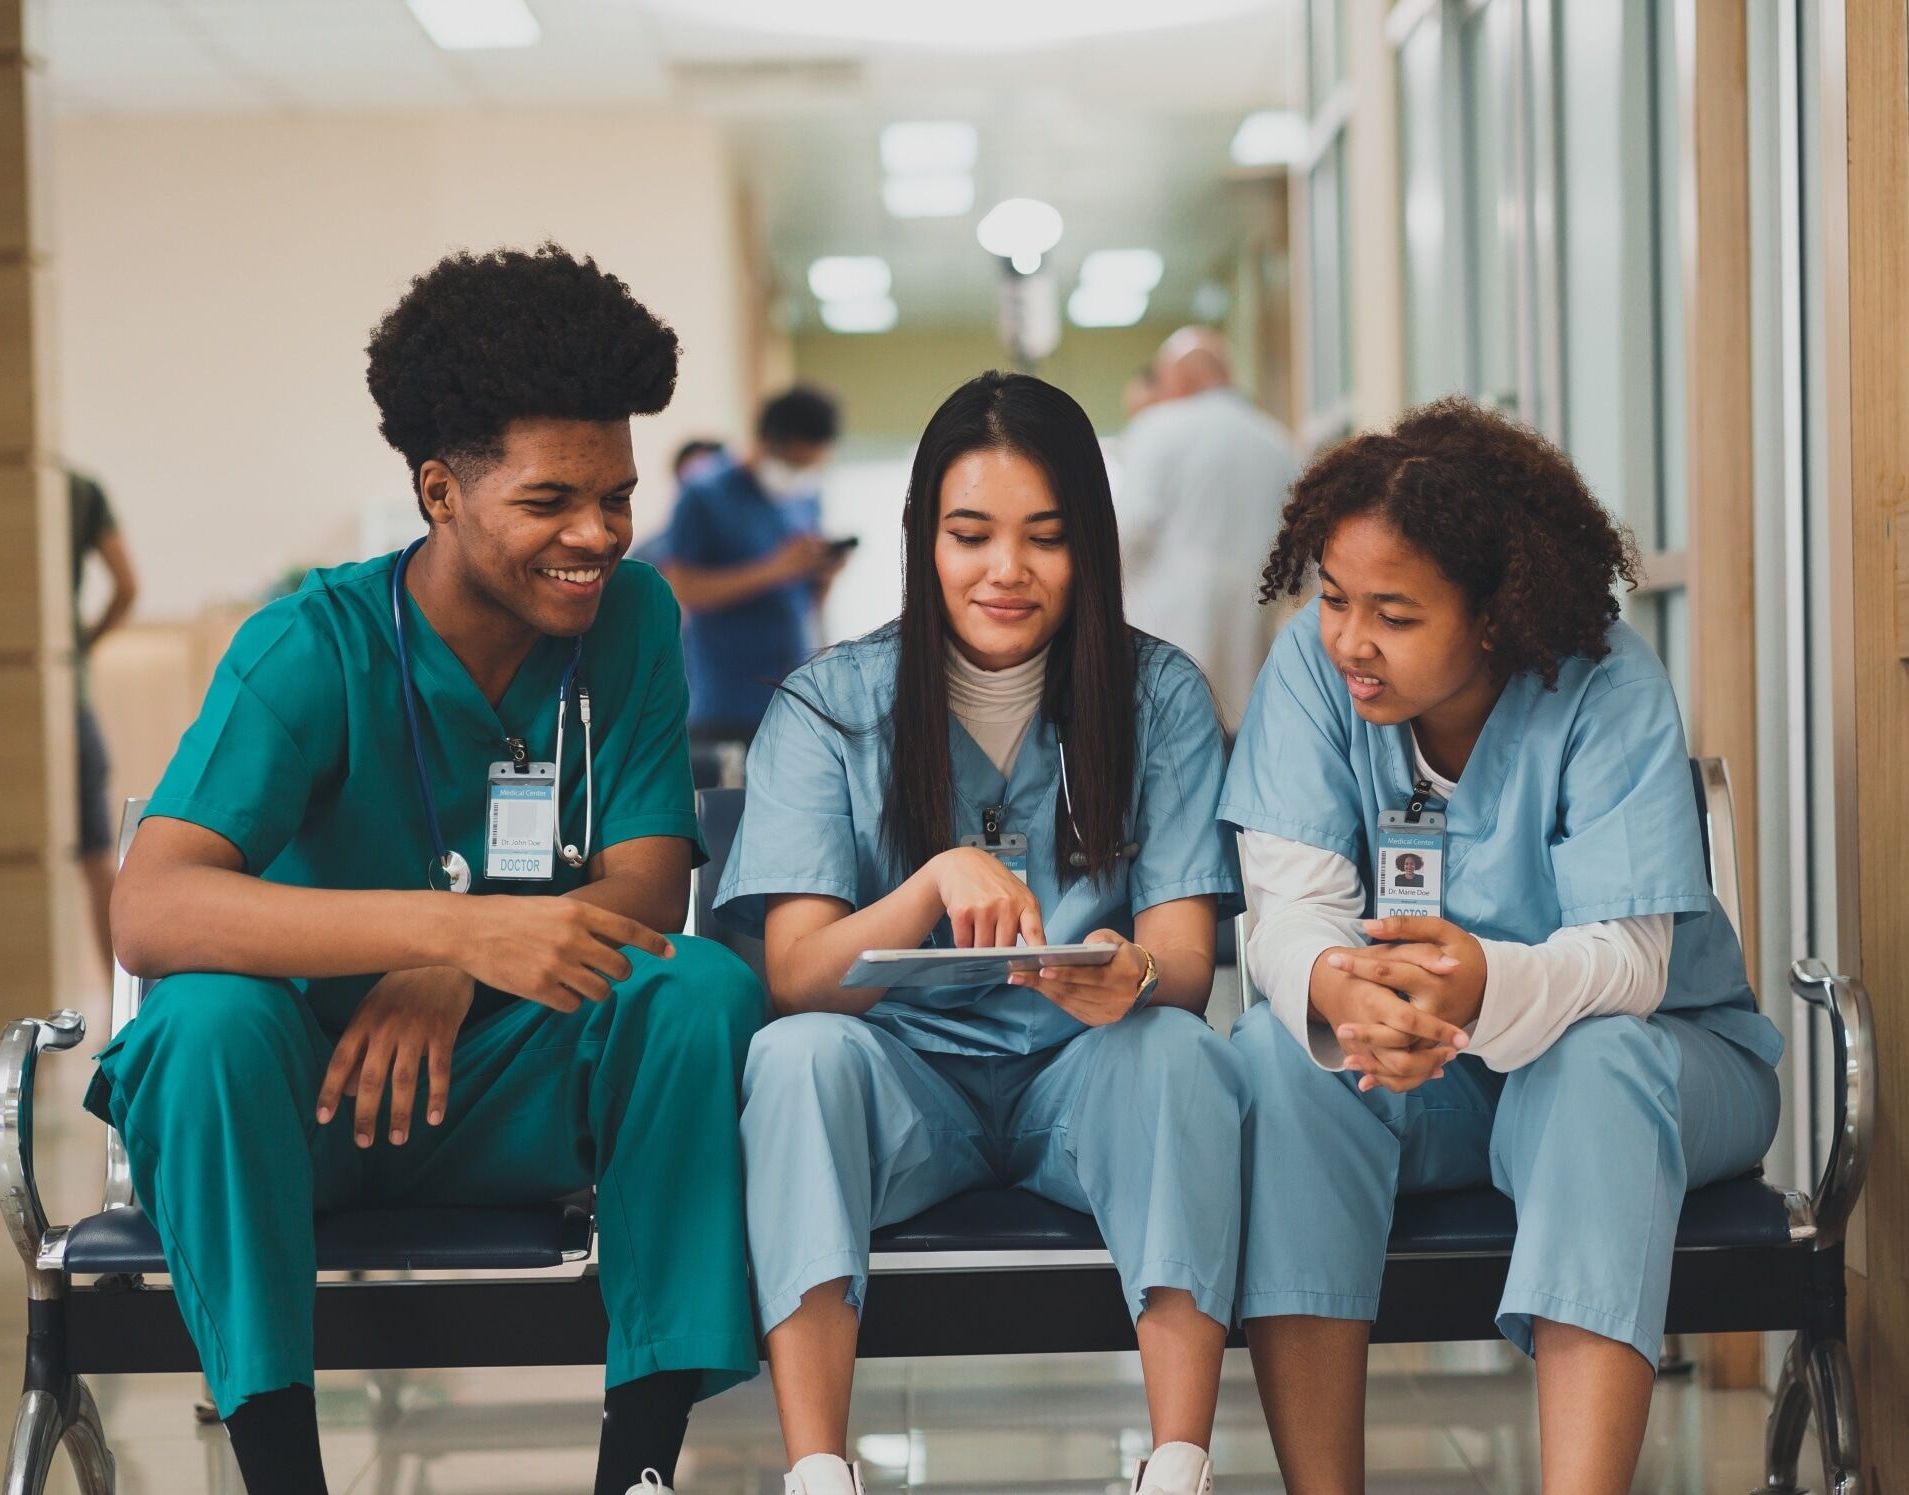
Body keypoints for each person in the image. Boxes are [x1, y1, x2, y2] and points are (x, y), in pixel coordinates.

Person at [88, 245, 763, 1495]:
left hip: (513, 1085)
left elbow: (649, 882)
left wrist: (466, 975)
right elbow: (151, 904)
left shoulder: (632, 622)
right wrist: (445, 937)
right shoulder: (311, 643)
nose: (596, 535)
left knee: (696, 988)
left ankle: (642, 1470)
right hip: (311, 1101)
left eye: (616, 496)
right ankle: (284, 1475)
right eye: (552, 499)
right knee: (202, 1024)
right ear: (441, 489)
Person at [1220, 399, 1784, 1495]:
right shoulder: (1313, 673)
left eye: (1393, 613)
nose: (1349, 639)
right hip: (1427, 1082)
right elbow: (1288, 906)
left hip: (1662, 1059)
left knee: (1595, 1062)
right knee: (1279, 1054)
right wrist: (1340, 987)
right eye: (1333, 598)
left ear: (1490, 616)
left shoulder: (1603, 682)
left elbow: (1632, 958)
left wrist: (1485, 981)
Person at [717, 372, 1246, 1495]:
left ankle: (1179, 1465)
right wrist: (931, 884)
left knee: (1179, 1052)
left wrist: (1133, 974)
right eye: (971, 535)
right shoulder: (828, 706)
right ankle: (817, 1470)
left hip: (1082, 1079)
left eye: (1045, 539)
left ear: (1090, 547)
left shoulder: (1157, 698)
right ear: (922, 537)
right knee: (794, 1056)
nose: (1006, 571)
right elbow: (798, 977)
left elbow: (1188, 966)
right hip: (903, 1091)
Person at [637, 385, 850, 754]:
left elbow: (803, 602)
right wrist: (775, 569)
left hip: (793, 695)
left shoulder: (805, 496)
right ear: (767, 441)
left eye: (810, 465)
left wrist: (823, 575)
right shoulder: (705, 494)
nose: (800, 474)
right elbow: (682, 588)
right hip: (726, 702)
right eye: (795, 463)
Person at [1109, 326, 1295, 722]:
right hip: (1252, 659)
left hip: (1165, 655)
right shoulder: (1279, 443)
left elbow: (1126, 533)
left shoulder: (1158, 428)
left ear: (1179, 378)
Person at [68, 467, 138, 969]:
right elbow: (127, 586)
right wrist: (80, 646)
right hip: (66, 699)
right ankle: (119, 1008)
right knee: (95, 859)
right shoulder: (78, 489)